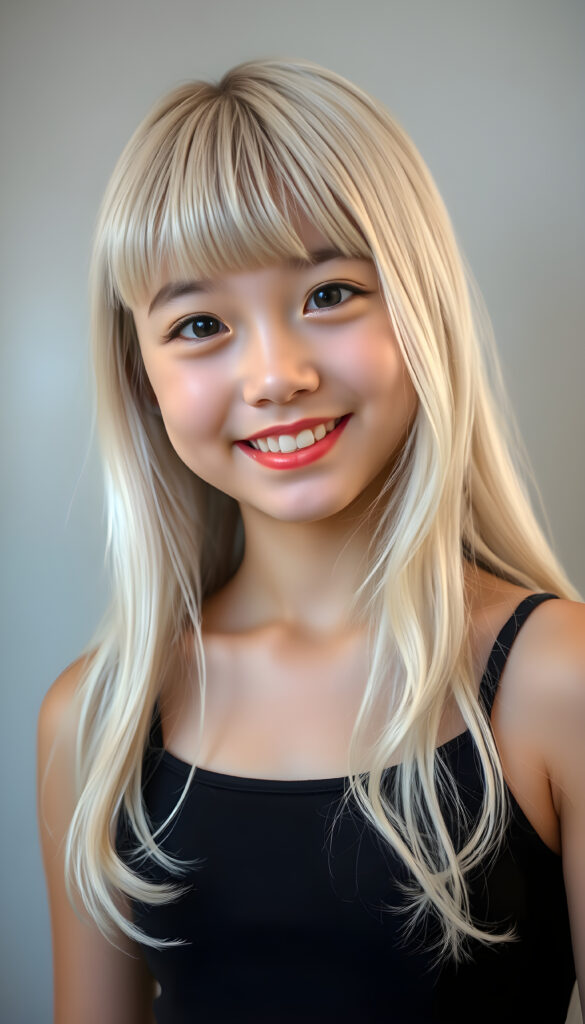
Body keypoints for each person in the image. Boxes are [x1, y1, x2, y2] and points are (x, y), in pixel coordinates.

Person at [37, 58, 584, 1024]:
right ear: (144, 377)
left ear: (421, 307)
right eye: (200, 323)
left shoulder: (558, 683)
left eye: (328, 294)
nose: (275, 375)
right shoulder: (97, 720)